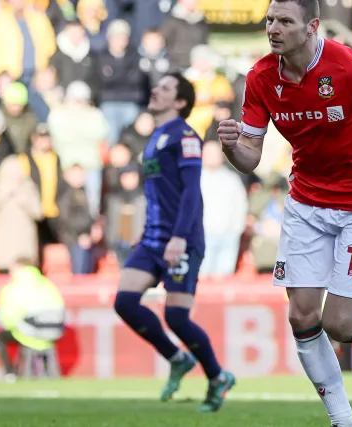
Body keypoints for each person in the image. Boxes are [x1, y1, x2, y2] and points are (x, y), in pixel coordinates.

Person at [217, 1, 352, 425]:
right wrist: (230, 147)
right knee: (300, 315)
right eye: (270, 20)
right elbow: (251, 158)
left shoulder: (350, 67)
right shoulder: (260, 78)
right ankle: (342, 420)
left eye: (285, 21)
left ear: (312, 26)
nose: (273, 29)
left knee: (340, 325)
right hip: (307, 204)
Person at [113, 72, 235, 412]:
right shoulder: (156, 136)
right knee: (124, 301)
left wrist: (179, 237)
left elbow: (191, 193)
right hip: (152, 239)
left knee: (177, 318)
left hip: (181, 238)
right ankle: (176, 358)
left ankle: (217, 376)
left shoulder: (185, 137)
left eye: (165, 88)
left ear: (180, 102)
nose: (156, 89)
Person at [0, 257, 66, 382]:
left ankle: (10, 374)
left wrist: (16, 325)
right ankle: (43, 370)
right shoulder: (48, 284)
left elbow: (7, 316)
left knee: (1, 336)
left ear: (18, 268)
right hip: (53, 332)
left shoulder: (13, 287)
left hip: (29, 332)